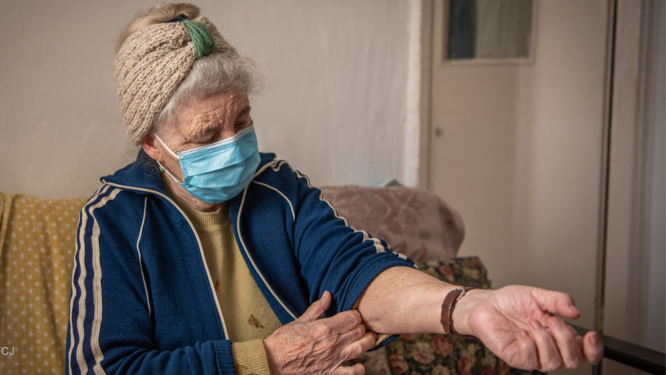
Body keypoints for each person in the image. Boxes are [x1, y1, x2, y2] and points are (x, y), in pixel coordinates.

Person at [66, 3, 603, 374]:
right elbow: (102, 367)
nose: (233, 145)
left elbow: (355, 271)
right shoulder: (112, 221)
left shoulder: (278, 189)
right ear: (151, 144)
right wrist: (267, 363)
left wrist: (470, 307)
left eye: (242, 120)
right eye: (207, 134)